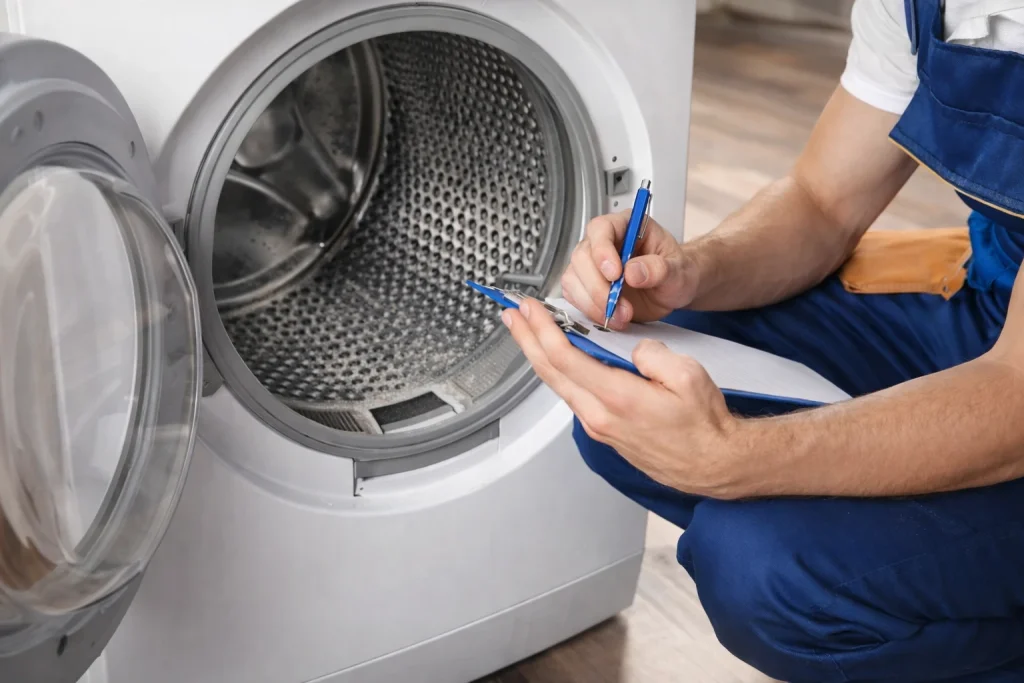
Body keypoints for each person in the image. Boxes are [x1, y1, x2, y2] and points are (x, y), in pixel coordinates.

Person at [503, 1, 1024, 681]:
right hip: (996, 305)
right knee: (635, 389)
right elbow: (822, 200)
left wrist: (737, 457)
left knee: (765, 573)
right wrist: (692, 272)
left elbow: (1014, 397)